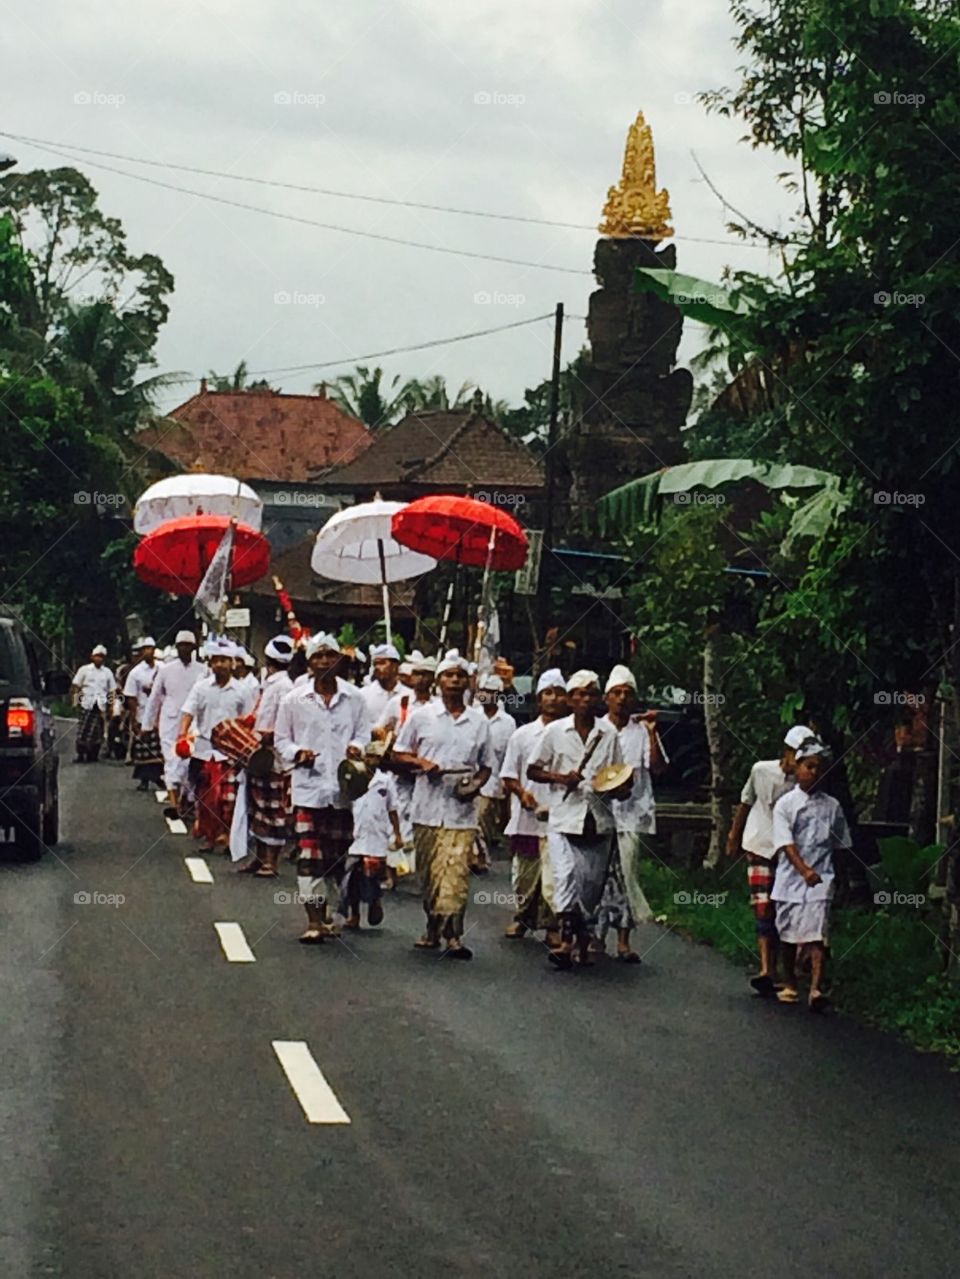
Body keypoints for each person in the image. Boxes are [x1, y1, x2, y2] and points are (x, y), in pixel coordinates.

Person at [393, 650, 492, 960]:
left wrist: (474, 786)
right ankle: (433, 927)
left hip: (461, 812)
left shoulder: (478, 722)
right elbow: (398, 753)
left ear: (467, 682)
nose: (454, 680)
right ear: (438, 681)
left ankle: (454, 936)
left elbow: (487, 765)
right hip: (426, 807)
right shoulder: (422, 717)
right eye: (448, 675)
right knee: (430, 875)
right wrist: (421, 762)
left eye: (460, 676)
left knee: (455, 873)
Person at [274, 633, 370, 945]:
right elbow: (281, 741)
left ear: (339, 660)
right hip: (308, 789)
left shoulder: (355, 698)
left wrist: (356, 747)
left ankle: (329, 911)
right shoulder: (293, 700)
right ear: (309, 662)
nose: (325, 662)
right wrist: (297, 753)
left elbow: (363, 733)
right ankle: (313, 920)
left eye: (330, 656)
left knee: (336, 857)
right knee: (309, 855)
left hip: (342, 791)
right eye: (318, 657)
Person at [528, 670, 624, 969]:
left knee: (590, 887)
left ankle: (583, 941)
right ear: (570, 700)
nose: (585, 699)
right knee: (566, 877)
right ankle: (566, 942)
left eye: (591, 694)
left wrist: (614, 786)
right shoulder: (556, 732)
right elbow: (533, 769)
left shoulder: (609, 735)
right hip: (564, 817)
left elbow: (621, 776)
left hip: (598, 819)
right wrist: (559, 777)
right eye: (580, 694)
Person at [726, 724, 813, 995]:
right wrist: (733, 836)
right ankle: (767, 968)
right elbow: (746, 801)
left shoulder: (807, 782)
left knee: (788, 907)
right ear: (786, 753)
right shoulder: (761, 770)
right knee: (764, 906)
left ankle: (793, 966)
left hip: (792, 852)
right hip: (760, 842)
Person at [771, 738, 852, 1010]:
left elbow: (841, 845)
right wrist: (803, 870)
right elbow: (786, 843)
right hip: (790, 879)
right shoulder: (785, 805)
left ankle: (816, 988)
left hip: (822, 878)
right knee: (787, 934)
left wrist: (840, 880)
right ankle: (790, 982)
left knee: (817, 933)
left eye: (819, 767)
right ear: (798, 768)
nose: (814, 772)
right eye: (809, 766)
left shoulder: (833, 807)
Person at [595, 665, 667, 963]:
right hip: (599, 814)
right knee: (598, 876)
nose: (622, 699)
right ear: (606, 698)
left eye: (628, 693)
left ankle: (624, 939)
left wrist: (652, 733)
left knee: (626, 874)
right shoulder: (597, 728)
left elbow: (659, 768)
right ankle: (595, 937)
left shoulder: (641, 731)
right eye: (617, 693)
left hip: (631, 815)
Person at [499, 668, 567, 941]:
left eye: (558, 694)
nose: (553, 699)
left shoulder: (571, 734)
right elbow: (508, 775)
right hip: (527, 817)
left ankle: (552, 926)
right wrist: (521, 793)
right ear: (539, 700)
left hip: (560, 816)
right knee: (525, 874)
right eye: (547, 693)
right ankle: (523, 917)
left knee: (555, 875)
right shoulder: (522, 735)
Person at [179, 639, 257, 853]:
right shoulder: (201, 688)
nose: (220, 665)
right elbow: (188, 711)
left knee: (228, 798)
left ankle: (226, 833)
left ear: (232, 663)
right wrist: (182, 735)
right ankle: (210, 836)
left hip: (231, 753)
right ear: (210, 664)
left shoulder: (242, 690)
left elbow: (250, 720)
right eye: (216, 661)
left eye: (224, 660)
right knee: (206, 799)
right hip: (204, 751)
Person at [374, 651, 437, 886]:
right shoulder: (400, 702)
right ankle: (391, 871)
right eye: (417, 673)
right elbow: (379, 728)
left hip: (425, 773)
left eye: (426, 675)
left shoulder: (437, 706)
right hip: (400, 769)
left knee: (420, 820)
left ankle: (417, 868)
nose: (420, 679)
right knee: (395, 817)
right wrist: (388, 738)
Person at [241, 634, 295, 878]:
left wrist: (267, 736)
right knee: (258, 807)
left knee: (273, 810)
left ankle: (271, 861)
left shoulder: (285, 687)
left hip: (274, 756)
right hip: (260, 753)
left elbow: (285, 724)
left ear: (269, 660)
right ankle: (259, 857)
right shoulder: (270, 684)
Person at [338, 741, 402, 930]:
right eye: (370, 756)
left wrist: (397, 834)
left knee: (372, 876)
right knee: (351, 878)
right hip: (357, 834)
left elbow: (393, 809)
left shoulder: (386, 781)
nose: (372, 760)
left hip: (377, 835)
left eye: (376, 757)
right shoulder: (355, 777)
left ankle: (375, 902)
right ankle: (354, 914)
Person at [142, 631, 205, 817]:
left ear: (194, 648)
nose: (185, 649)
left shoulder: (202, 670)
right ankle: (174, 804)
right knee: (171, 761)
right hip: (169, 723)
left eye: (188, 645)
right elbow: (154, 699)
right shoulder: (166, 670)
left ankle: (187, 800)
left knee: (189, 763)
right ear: (177, 647)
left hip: (194, 723)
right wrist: (147, 725)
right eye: (182, 645)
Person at [472, 673, 517, 873]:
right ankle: (477, 857)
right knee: (474, 819)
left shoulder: (507, 722)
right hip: (469, 780)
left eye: (490, 692)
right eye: (483, 691)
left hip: (494, 782)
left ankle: (481, 854)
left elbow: (509, 754)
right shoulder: (471, 716)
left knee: (485, 821)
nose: (486, 695)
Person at [124, 637, 164, 791]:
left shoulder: (163, 668)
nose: (148, 651)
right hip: (143, 713)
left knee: (159, 749)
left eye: (151, 648)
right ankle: (144, 779)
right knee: (144, 749)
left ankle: (159, 777)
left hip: (160, 715)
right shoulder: (136, 673)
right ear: (141, 652)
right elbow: (131, 696)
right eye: (145, 649)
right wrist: (134, 718)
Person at [71, 645, 117, 763]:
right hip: (86, 703)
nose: (99, 659)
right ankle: (81, 754)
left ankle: (94, 754)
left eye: (102, 657)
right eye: (97, 656)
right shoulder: (84, 670)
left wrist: (111, 706)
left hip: (100, 705)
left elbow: (112, 690)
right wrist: (76, 701)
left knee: (98, 732)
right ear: (92, 657)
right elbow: (76, 686)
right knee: (83, 730)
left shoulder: (107, 673)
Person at [361, 643, 402, 722]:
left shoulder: (408, 695)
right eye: (375, 664)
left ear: (395, 666)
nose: (377, 667)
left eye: (382, 663)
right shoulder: (364, 695)